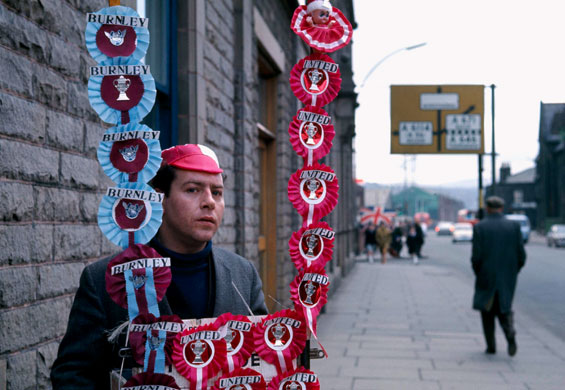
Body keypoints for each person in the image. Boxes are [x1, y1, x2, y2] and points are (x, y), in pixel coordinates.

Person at [51, 144, 268, 389]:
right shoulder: (104, 279)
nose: (209, 202)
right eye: (193, 189)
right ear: (159, 198)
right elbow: (72, 377)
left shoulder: (243, 273)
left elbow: (265, 358)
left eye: (217, 192)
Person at [471, 196, 526, 356]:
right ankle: (509, 334)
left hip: (486, 274)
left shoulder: (480, 227)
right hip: (507, 276)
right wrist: (513, 271)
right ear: (502, 208)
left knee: (486, 309)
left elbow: (476, 257)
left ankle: (491, 345)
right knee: (504, 306)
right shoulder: (514, 226)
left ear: (487, 208)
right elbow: (521, 255)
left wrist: (479, 272)